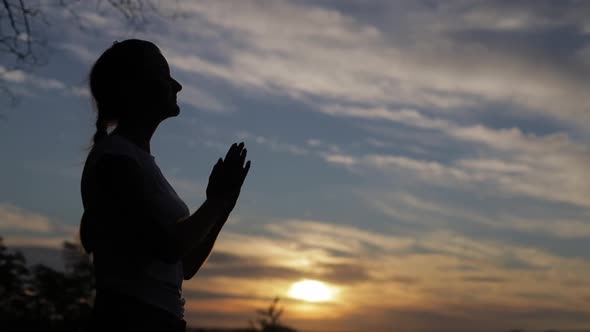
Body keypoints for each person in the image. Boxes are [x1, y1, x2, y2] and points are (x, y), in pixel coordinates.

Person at [79, 39, 251, 331]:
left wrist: (222, 207)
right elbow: (168, 246)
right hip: (131, 320)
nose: (177, 85)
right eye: (163, 74)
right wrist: (215, 202)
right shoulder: (115, 160)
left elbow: (186, 265)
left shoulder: (138, 161)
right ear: (134, 86)